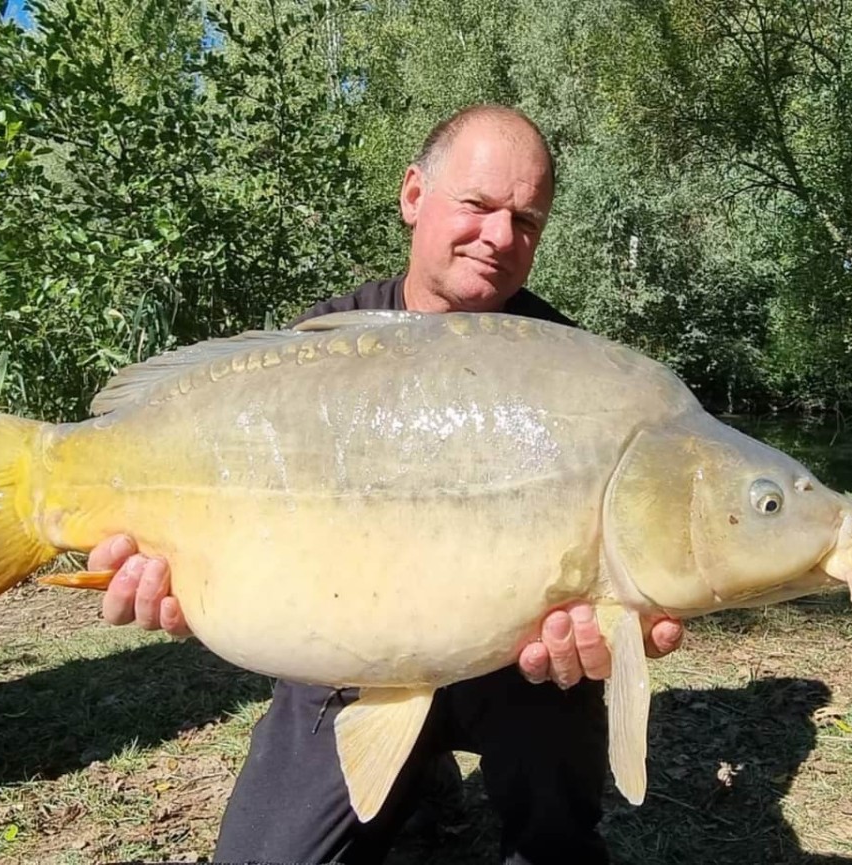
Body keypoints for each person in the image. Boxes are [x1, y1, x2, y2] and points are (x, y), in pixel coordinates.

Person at [87, 104, 686, 864]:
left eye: (525, 220)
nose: (500, 237)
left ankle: (533, 818)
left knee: (556, 826)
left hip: (516, 659)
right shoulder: (316, 351)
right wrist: (183, 583)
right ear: (412, 196)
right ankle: (415, 772)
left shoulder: (569, 373)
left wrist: (626, 620)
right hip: (346, 655)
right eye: (476, 205)